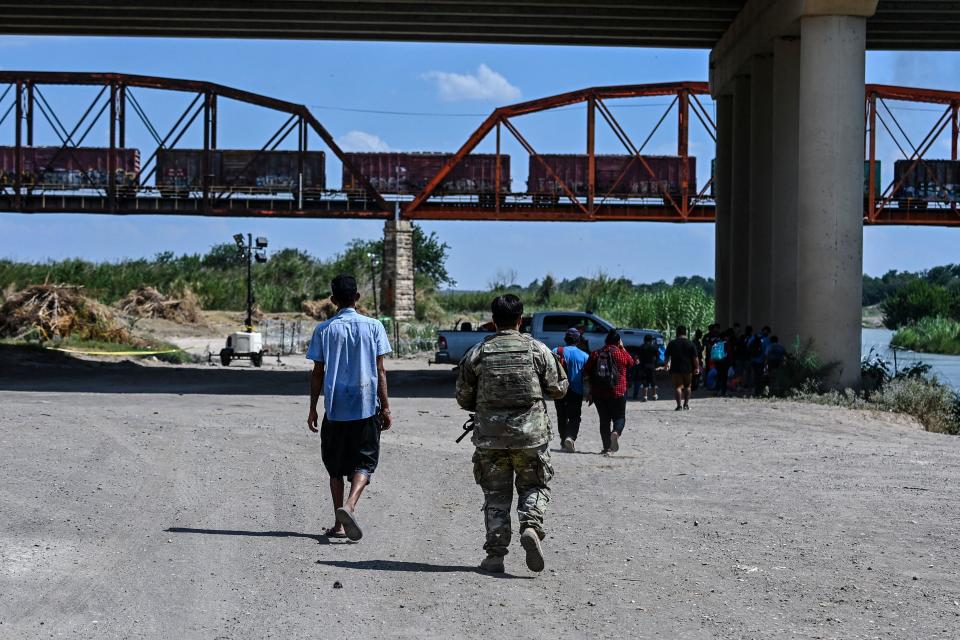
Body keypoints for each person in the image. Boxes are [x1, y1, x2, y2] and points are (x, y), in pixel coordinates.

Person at [456, 294, 568, 574]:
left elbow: (463, 396)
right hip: (531, 436)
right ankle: (530, 526)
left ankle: (495, 557)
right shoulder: (537, 349)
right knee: (534, 486)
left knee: (495, 495)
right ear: (521, 320)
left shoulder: (478, 353)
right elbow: (558, 388)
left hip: (490, 437)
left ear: (493, 321)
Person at [307, 274, 393, 542]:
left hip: (335, 408)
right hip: (366, 406)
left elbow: (317, 373)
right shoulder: (374, 326)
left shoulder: (323, 330)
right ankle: (351, 505)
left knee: (335, 467)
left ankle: (339, 524)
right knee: (364, 462)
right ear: (357, 297)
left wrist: (313, 408)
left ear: (333, 300)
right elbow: (380, 370)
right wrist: (386, 408)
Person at [584, 329, 634, 454]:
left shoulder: (596, 354)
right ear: (618, 342)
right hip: (618, 392)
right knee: (619, 417)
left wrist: (590, 391)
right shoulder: (620, 354)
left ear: (606, 341)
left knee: (604, 420)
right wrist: (622, 348)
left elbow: (586, 371)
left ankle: (607, 447)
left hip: (599, 393)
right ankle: (616, 433)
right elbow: (631, 362)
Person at [553, 328, 588, 453]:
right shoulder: (584, 356)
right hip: (576, 391)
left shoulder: (556, 351)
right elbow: (587, 377)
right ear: (578, 340)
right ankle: (570, 437)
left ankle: (563, 442)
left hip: (559, 390)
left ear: (565, 339)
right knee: (574, 417)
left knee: (561, 416)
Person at [663, 325, 700, 411]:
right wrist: (697, 368)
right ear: (685, 333)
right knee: (687, 386)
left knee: (678, 387)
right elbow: (695, 357)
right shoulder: (690, 343)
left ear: (677, 332)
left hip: (675, 369)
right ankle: (686, 405)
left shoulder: (672, 343)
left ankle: (679, 406)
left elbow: (667, 356)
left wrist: (666, 365)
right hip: (688, 368)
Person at [636, 334, 660, 402]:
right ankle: (654, 395)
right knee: (653, 381)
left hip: (643, 366)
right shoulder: (654, 347)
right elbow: (658, 356)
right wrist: (656, 364)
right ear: (651, 340)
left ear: (644, 340)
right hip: (652, 366)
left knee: (644, 382)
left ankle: (645, 396)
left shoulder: (641, 347)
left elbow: (637, 356)